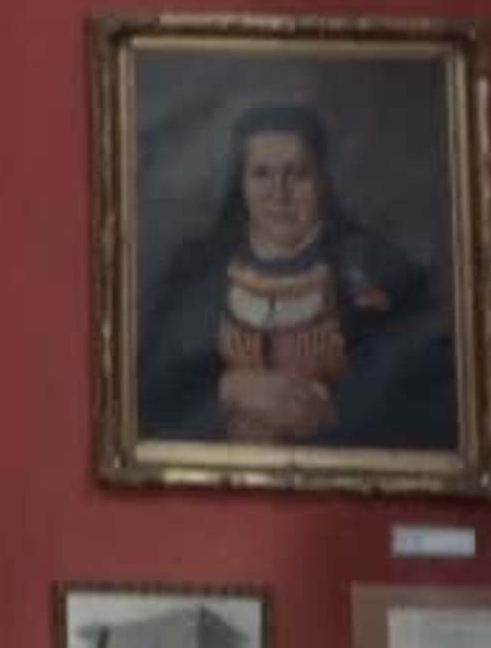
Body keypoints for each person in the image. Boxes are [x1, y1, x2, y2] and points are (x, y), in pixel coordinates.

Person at [136, 101, 454, 449]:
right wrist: (231, 389)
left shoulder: (381, 270)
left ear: (322, 181)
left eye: (298, 174)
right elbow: (151, 400)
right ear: (240, 183)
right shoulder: (196, 271)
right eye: (261, 174)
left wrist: (325, 410)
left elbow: (428, 400)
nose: (279, 193)